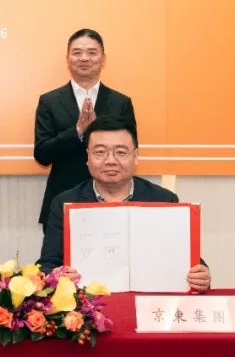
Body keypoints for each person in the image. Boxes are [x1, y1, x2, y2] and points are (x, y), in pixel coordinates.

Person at [37, 116, 211, 292]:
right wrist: (56, 275)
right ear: (88, 157)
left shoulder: (164, 200)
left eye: (120, 152)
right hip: (88, 303)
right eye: (100, 152)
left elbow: (187, 260)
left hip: (147, 301)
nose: (110, 160)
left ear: (135, 156)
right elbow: (47, 264)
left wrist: (201, 275)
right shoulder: (64, 203)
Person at [34, 29, 136, 230]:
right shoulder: (49, 101)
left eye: (91, 52)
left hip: (113, 198)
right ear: (68, 59)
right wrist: (77, 131)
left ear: (103, 59)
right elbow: (42, 154)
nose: (84, 58)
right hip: (63, 197)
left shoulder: (120, 102)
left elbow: (131, 150)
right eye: (77, 52)